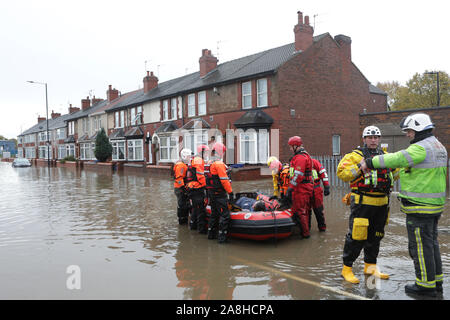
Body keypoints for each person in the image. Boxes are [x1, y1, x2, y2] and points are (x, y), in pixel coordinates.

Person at [361, 113, 447, 297]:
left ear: (418, 129)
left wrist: (370, 162)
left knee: (420, 248)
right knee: (431, 245)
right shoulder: (439, 146)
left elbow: (397, 158)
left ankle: (425, 287)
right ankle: (436, 282)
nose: (408, 135)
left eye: (409, 131)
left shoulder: (420, 148)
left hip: (420, 207)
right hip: (434, 206)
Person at [337, 126, 399, 284]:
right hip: (362, 203)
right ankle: (347, 269)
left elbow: (395, 174)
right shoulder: (354, 156)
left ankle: (370, 267)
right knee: (356, 237)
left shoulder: (385, 156)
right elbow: (342, 174)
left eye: (376, 137)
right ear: (364, 139)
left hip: (382, 203)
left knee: (376, 236)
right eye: (370, 137)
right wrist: (360, 167)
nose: (373, 140)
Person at [286, 136, 314, 238]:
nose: (289, 149)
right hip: (304, 186)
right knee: (303, 210)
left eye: (290, 147)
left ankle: (305, 234)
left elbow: (298, 175)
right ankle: (302, 231)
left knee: (301, 211)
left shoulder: (300, 158)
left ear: (295, 146)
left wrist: (290, 188)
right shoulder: (304, 156)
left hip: (301, 188)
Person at [206, 142, 233, 243]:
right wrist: (230, 192)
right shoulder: (219, 164)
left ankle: (211, 235)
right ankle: (222, 238)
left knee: (214, 214)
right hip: (219, 194)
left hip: (211, 193)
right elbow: (224, 180)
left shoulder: (209, 162)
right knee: (224, 215)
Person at [186, 146, 207, 234]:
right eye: (205, 152)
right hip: (197, 188)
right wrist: (205, 186)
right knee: (200, 210)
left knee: (195, 208)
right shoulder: (198, 160)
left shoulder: (194, 159)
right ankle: (201, 230)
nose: (206, 154)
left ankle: (192, 226)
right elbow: (200, 175)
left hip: (192, 187)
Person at [310, 158, 330, 231]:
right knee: (306, 213)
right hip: (305, 191)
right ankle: (306, 230)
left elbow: (323, 173)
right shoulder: (298, 162)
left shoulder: (313, 162)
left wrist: (326, 186)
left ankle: (322, 228)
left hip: (316, 190)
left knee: (318, 210)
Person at [173, 148, 191, 225]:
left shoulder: (183, 165)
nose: (190, 158)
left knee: (184, 204)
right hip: (180, 189)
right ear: (184, 156)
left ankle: (184, 219)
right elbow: (179, 178)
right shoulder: (181, 166)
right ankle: (182, 220)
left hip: (181, 188)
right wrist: (183, 189)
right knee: (182, 205)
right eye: (188, 157)